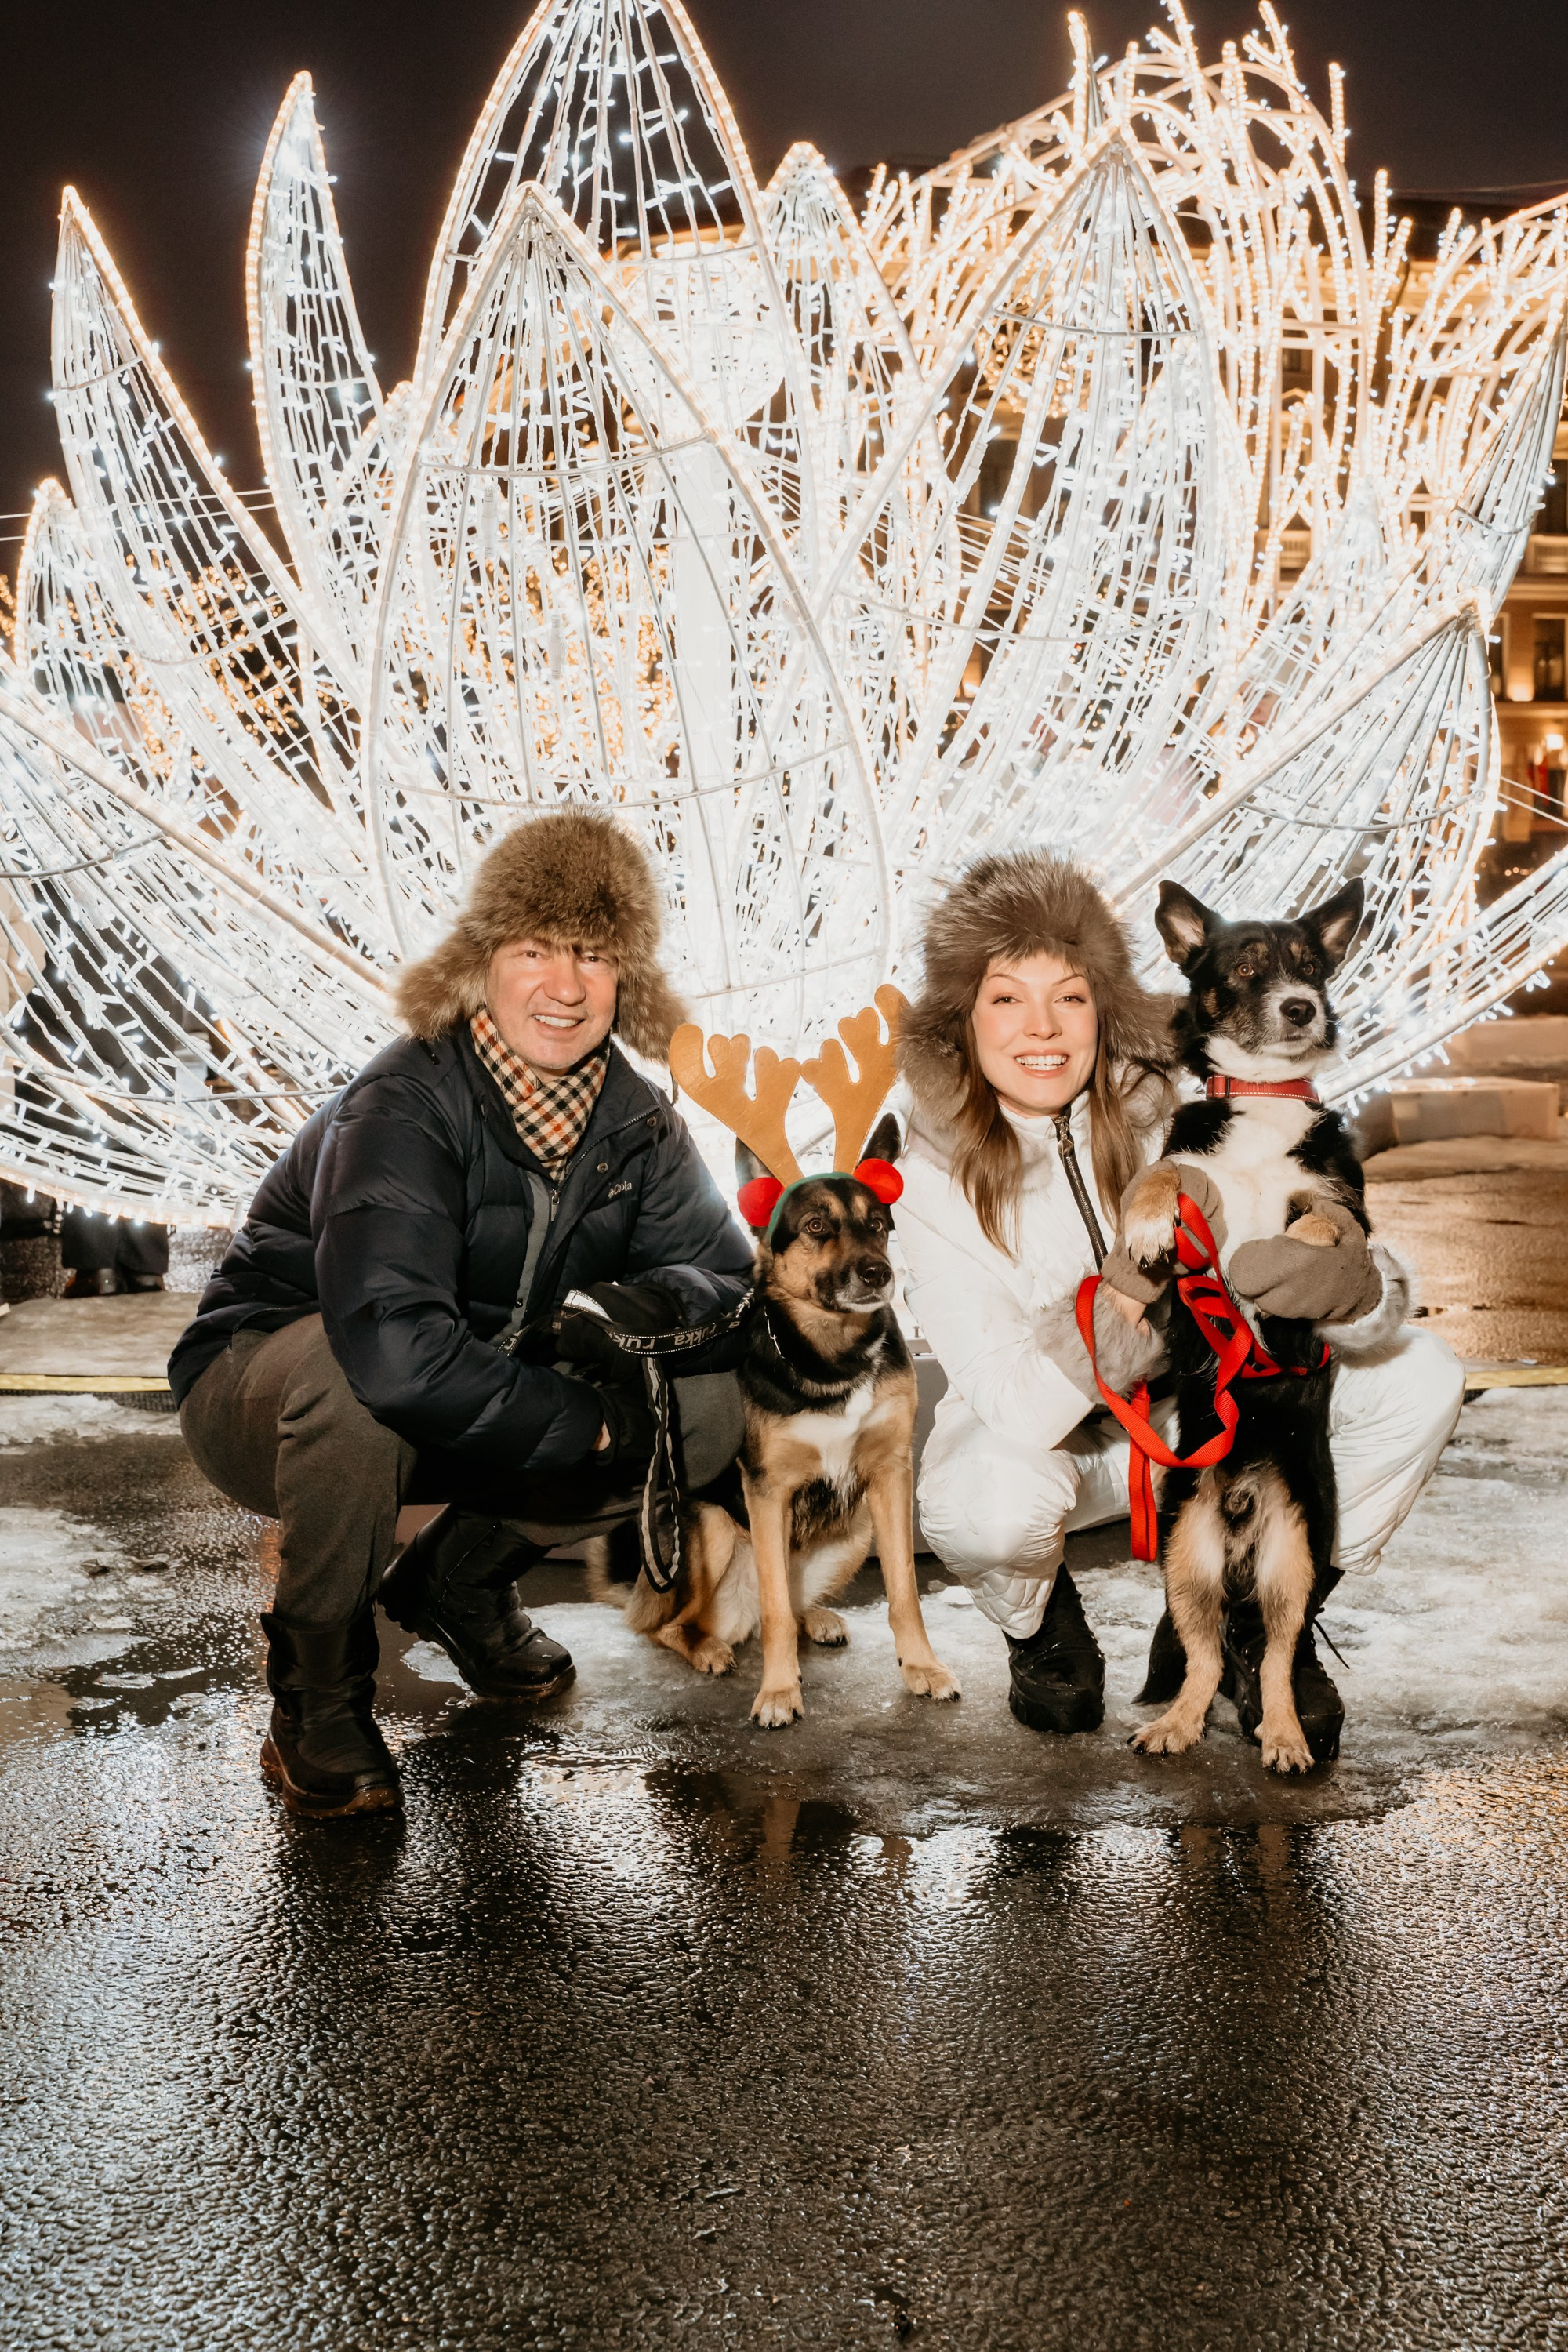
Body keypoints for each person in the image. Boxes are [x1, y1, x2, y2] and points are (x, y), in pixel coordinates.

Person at [170, 812, 753, 1817]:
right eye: (534, 950)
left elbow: (724, 1282)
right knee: (355, 1385)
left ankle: (458, 1582)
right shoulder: (404, 1100)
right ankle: (316, 1694)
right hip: (269, 1391)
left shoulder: (637, 1118)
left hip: (471, 1388)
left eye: (594, 957)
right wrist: (588, 1420)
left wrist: (614, 1317)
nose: (564, 988)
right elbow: (392, 1350)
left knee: (706, 1403)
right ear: (484, 961)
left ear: (628, 982)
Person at [895, 850, 1467, 1744]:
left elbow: (1298, 1238)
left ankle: (1259, 1619)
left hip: (1206, 1413)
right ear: (961, 1019)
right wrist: (1132, 1294)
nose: (1041, 1027)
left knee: (1420, 1375)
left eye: (1070, 996)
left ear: (1105, 1008)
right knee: (982, 1508)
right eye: (1007, 997)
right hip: (1056, 1445)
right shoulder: (926, 1176)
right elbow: (1013, 1399)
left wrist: (1353, 1287)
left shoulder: (1181, 1104)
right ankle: (1039, 1626)